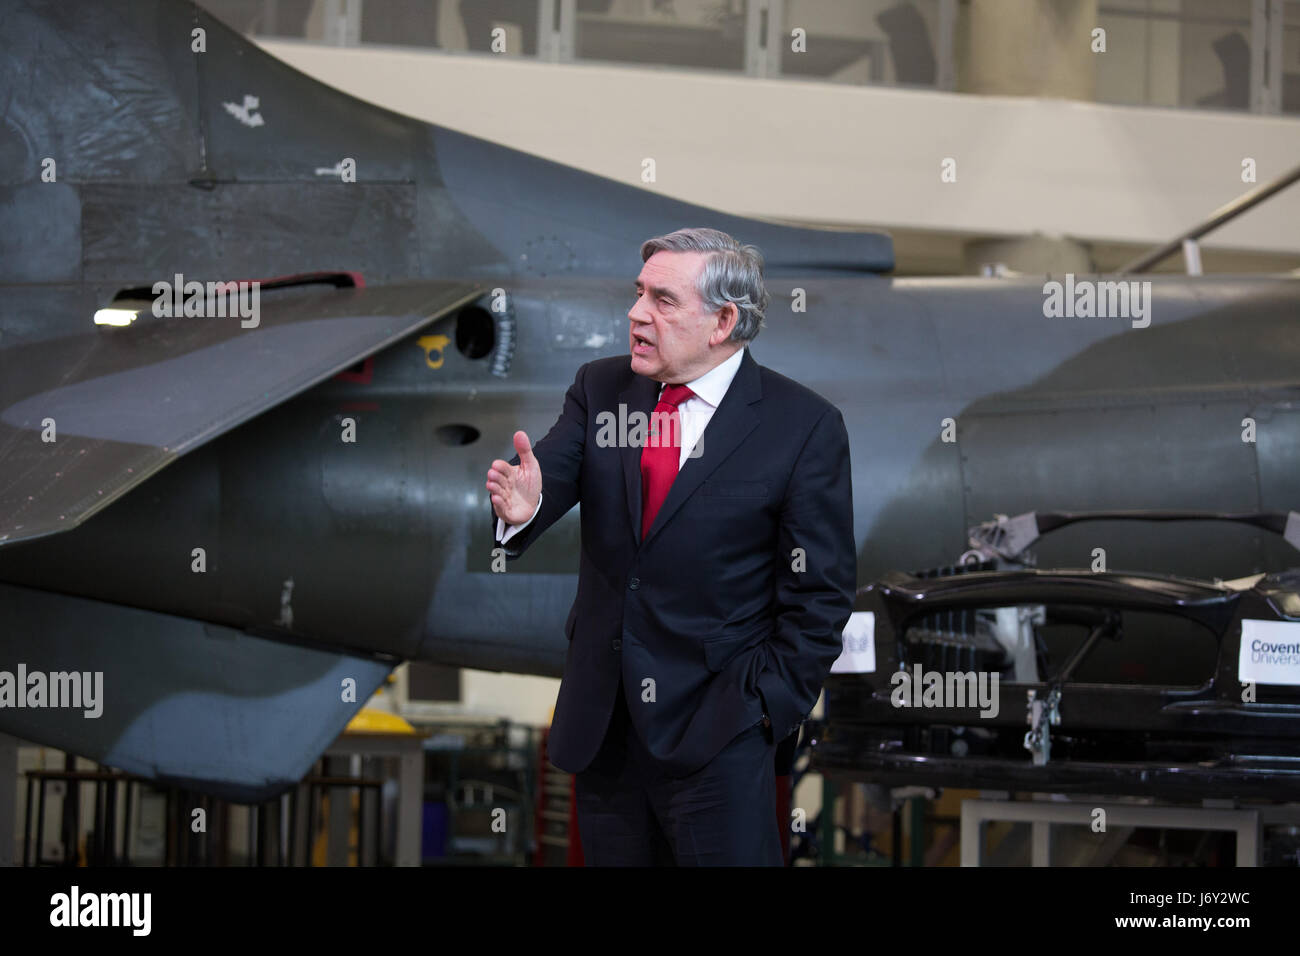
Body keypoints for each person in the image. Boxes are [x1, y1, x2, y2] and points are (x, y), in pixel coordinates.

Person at [485, 226, 855, 865]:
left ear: (723, 321)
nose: (636, 314)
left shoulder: (803, 426)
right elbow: (547, 478)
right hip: (605, 731)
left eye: (663, 300)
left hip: (721, 737)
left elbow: (819, 596)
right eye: (638, 294)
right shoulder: (601, 390)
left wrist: (765, 709)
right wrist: (523, 509)